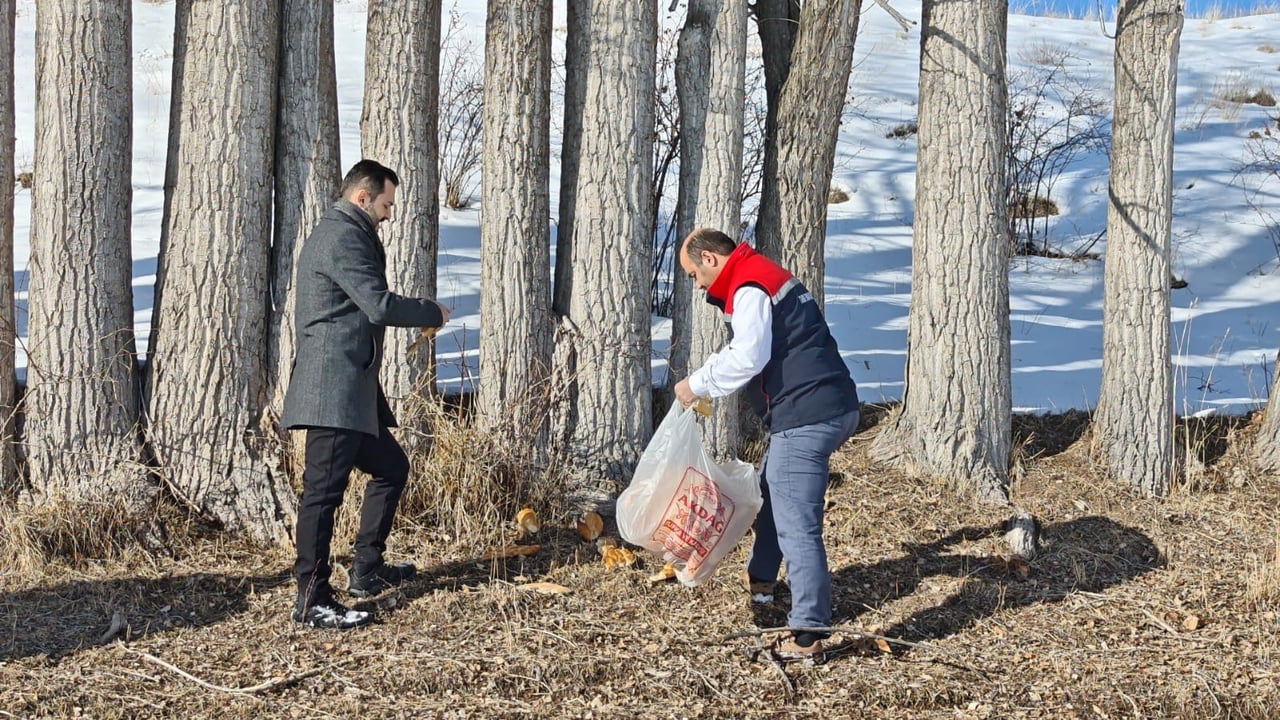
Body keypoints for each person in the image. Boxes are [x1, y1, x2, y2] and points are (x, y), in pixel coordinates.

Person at [673, 227, 860, 661]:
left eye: (693, 274)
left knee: (798, 525)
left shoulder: (750, 286)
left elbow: (748, 356)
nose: (697, 285)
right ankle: (761, 578)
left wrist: (696, 385)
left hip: (808, 414)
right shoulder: (758, 274)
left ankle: (808, 634)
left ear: (710, 259)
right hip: (829, 405)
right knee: (772, 488)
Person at [282, 160, 449, 629]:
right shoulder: (342, 236)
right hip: (331, 388)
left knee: (392, 468)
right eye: (386, 203)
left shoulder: (349, 232)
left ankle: (366, 571)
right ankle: (311, 598)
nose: (389, 213)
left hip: (352, 388)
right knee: (323, 493)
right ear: (362, 197)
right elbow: (377, 303)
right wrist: (429, 310)